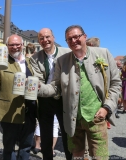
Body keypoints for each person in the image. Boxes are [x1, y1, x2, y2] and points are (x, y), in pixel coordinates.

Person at [38, 25, 121, 159]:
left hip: (97, 117)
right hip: (73, 120)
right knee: (76, 156)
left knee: (100, 157)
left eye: (76, 37)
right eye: (69, 39)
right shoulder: (62, 61)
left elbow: (116, 84)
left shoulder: (103, 54)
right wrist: (39, 88)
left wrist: (107, 107)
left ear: (84, 36)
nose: (73, 41)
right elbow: (55, 87)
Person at [0, 34, 37, 160]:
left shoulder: (30, 62)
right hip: (9, 111)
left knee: (26, 146)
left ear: (22, 45)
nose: (15, 47)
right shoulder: (2, 63)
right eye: (12, 45)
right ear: (7, 46)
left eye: (18, 44)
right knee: (9, 147)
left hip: (29, 111)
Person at [30, 28, 72, 160]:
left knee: (67, 134)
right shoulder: (35, 58)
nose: (45, 40)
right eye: (41, 38)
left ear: (53, 38)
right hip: (45, 99)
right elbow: (38, 81)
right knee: (46, 135)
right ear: (39, 41)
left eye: (47, 37)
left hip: (64, 99)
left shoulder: (67, 53)